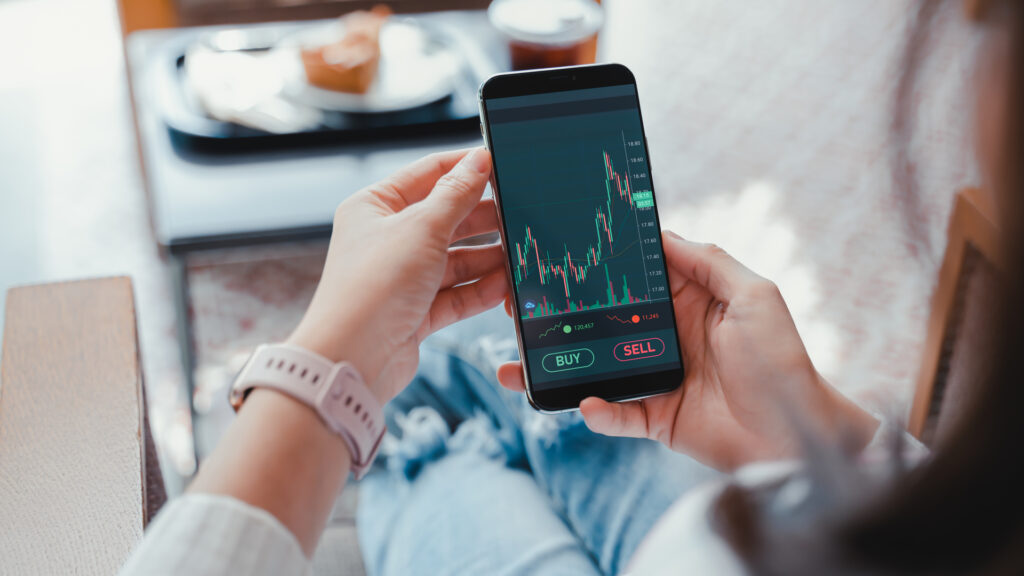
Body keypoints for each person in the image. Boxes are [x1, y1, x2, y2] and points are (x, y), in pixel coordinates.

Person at [119, 1, 1024, 574]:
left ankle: (421, 439)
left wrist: (324, 370)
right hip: (802, 513)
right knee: (522, 376)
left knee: (438, 428)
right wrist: (806, 428)